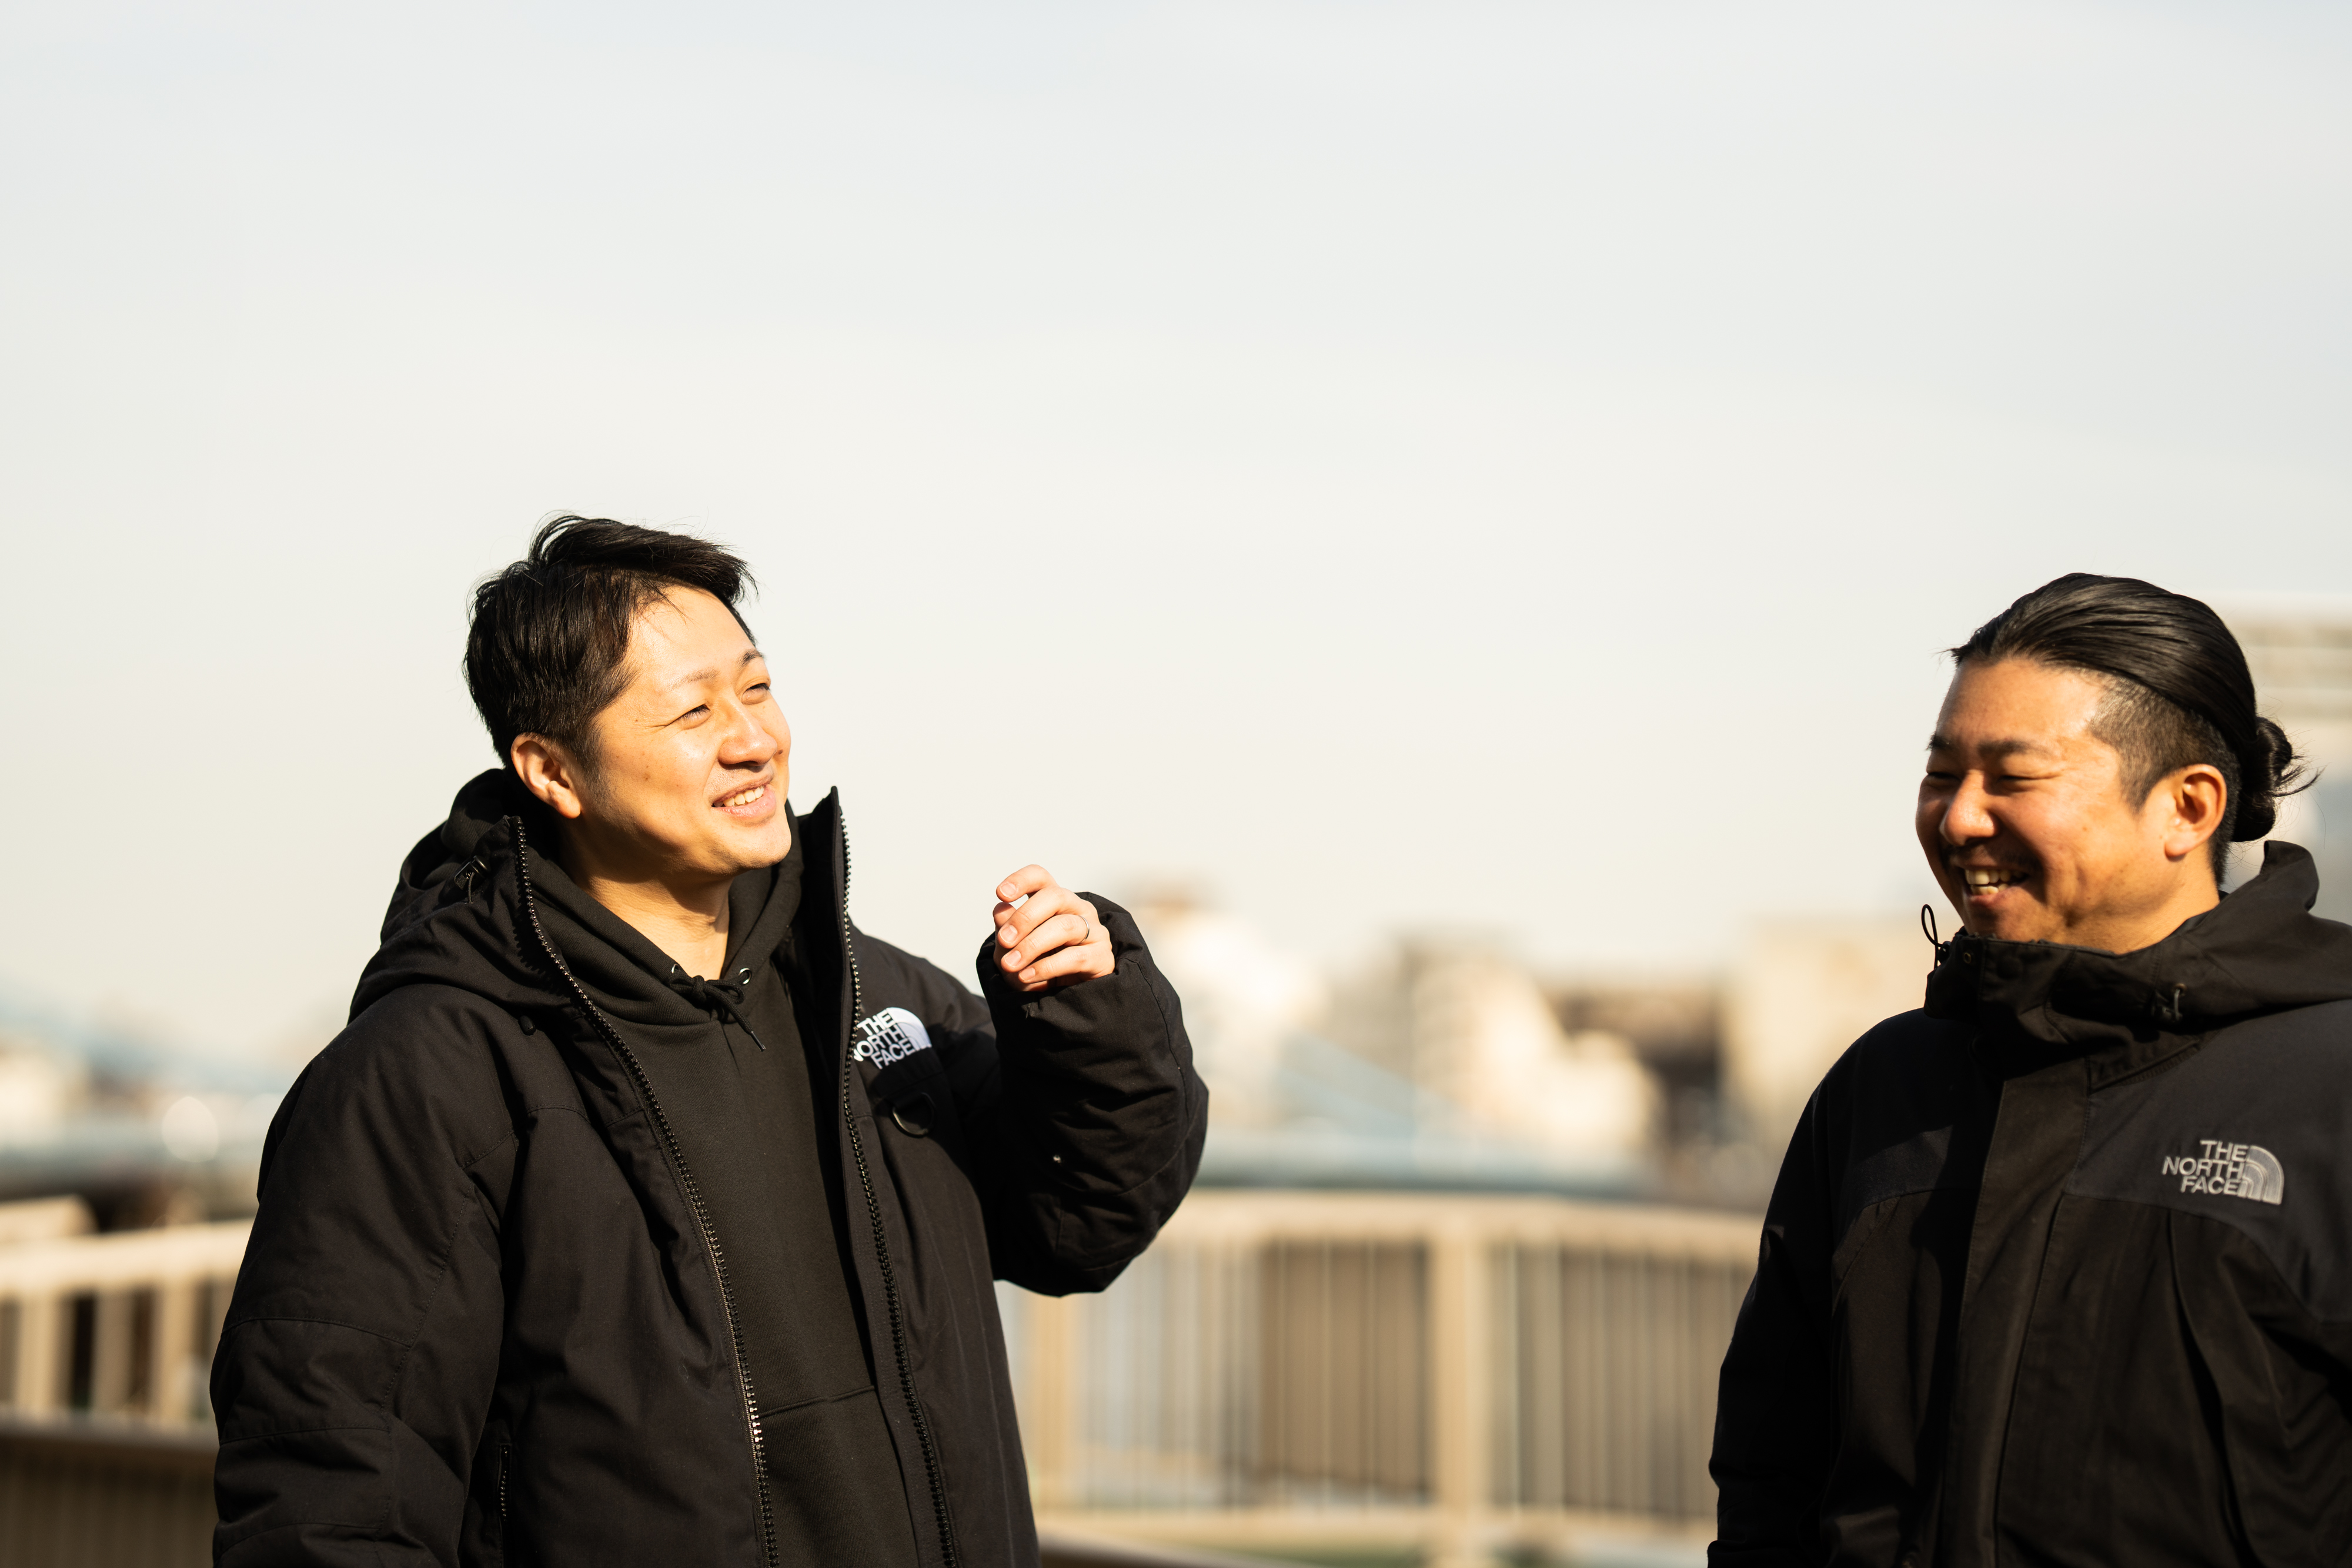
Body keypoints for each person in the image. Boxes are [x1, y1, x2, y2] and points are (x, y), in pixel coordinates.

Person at [210, 517, 1207, 1567]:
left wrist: (1087, 1018)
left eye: (758, 688)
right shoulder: (425, 1078)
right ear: (553, 771)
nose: (754, 739)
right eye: (694, 710)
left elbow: (1081, 1221)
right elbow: (331, 1501)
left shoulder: (876, 1003)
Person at [1709, 573, 2352, 1566]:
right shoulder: (1882, 1090)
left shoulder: (2328, 1088)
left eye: (2012, 778)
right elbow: (1771, 1473)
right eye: (1941, 774)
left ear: (2188, 808)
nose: (1960, 818)